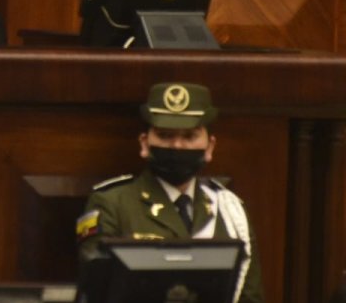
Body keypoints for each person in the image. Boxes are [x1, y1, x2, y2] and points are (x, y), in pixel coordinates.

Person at [77, 82, 263, 303]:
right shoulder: (111, 204)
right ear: (144, 143)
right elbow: (99, 292)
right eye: (165, 135)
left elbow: (250, 297)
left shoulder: (230, 209)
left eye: (189, 136)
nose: (177, 146)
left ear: (210, 147)